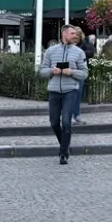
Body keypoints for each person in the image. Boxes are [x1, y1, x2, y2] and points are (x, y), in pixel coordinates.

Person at [39, 25, 88, 165]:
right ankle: (65, 146)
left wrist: (71, 72)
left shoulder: (79, 53)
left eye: (76, 34)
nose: (75, 35)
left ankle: (63, 153)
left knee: (66, 122)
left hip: (70, 91)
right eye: (72, 33)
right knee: (54, 122)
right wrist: (52, 71)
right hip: (54, 90)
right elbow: (42, 71)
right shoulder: (51, 51)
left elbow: (84, 74)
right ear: (64, 33)